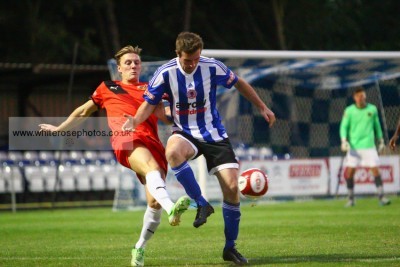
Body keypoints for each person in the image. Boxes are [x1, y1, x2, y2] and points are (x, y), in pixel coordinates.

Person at [122, 32, 276, 265]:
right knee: (172, 152)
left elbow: (240, 83)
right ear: (177, 54)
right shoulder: (165, 73)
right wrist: (134, 121)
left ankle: (230, 248)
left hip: (214, 134)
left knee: (233, 188)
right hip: (184, 133)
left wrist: (262, 107)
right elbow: (148, 104)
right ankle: (202, 204)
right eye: (187, 60)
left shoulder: (212, 66)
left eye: (196, 58)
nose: (192, 63)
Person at [39, 45, 190, 267]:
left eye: (136, 62)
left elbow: (166, 117)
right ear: (119, 68)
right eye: (128, 62)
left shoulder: (152, 89)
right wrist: (60, 129)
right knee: (152, 170)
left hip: (152, 143)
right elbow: (84, 111)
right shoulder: (108, 87)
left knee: (153, 203)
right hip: (125, 139)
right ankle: (172, 208)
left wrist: (179, 113)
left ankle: (139, 247)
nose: (133, 65)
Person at [340, 87, 390, 207]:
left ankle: (381, 197)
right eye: (358, 96)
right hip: (354, 147)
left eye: (362, 96)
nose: (360, 98)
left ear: (365, 96)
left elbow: (377, 126)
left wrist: (381, 140)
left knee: (375, 170)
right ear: (354, 98)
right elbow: (343, 127)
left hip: (369, 146)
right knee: (349, 172)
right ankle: (351, 199)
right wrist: (343, 141)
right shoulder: (349, 111)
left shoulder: (372, 109)